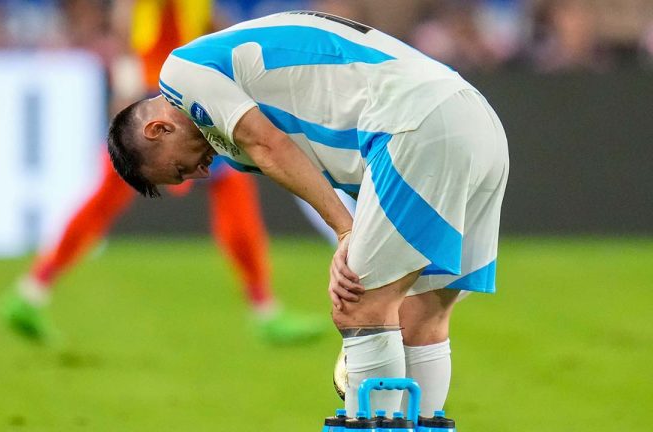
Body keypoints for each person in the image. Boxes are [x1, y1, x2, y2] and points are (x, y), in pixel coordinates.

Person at [106, 11, 509, 420]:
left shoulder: (180, 72)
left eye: (180, 169)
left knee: (360, 305)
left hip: (412, 124)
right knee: (423, 313)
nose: (200, 173)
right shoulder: (228, 114)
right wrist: (356, 232)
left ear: (158, 130)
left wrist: (346, 231)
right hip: (475, 122)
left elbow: (270, 144)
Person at [0, 0, 327, 346]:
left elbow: (206, 23)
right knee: (220, 191)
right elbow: (128, 26)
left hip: (173, 92)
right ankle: (265, 311)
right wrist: (127, 90)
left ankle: (31, 291)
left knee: (118, 200)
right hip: (163, 99)